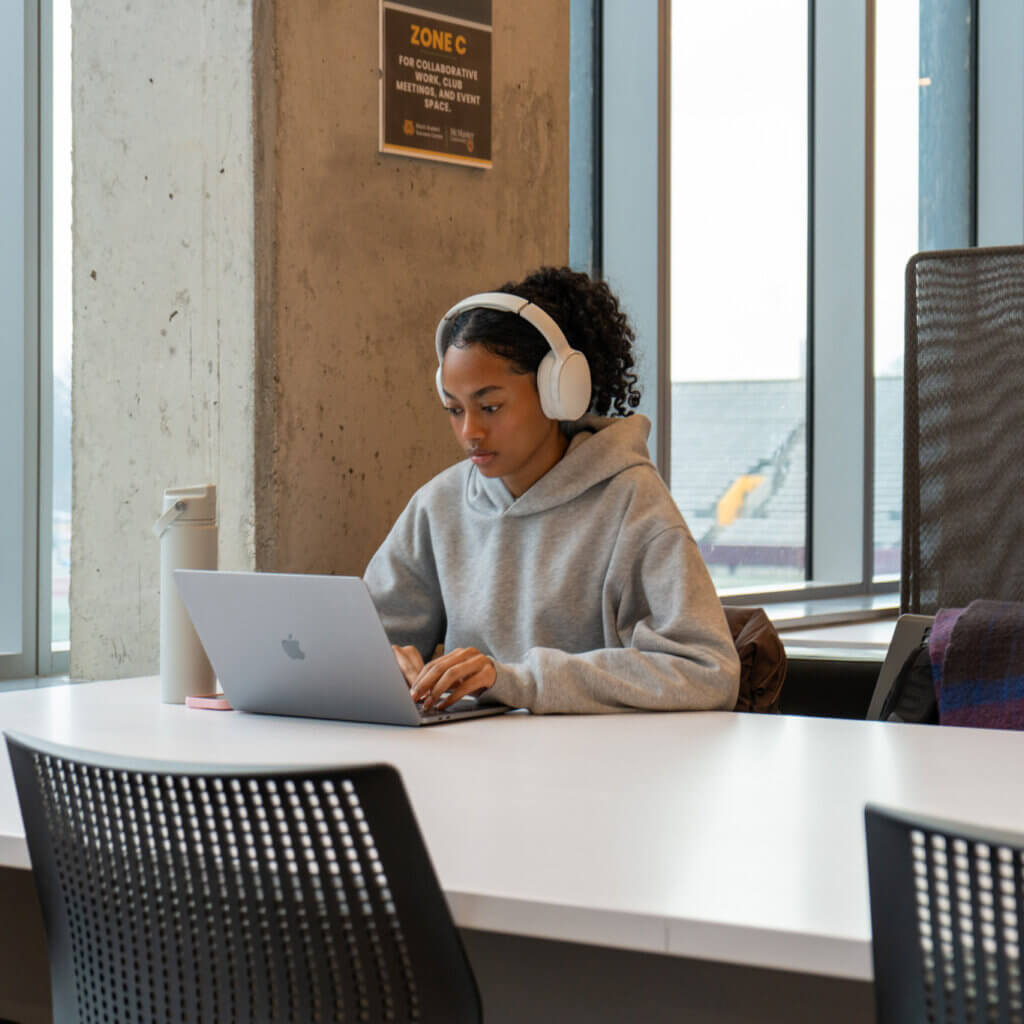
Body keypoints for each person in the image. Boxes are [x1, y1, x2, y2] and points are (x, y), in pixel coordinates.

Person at [363, 266, 740, 714]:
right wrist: (375, 659)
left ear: (559, 391)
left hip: (591, 773)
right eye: (453, 409)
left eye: (490, 406)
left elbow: (707, 670)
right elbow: (364, 636)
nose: (470, 432)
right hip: (466, 765)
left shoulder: (632, 502)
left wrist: (518, 680)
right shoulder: (438, 504)